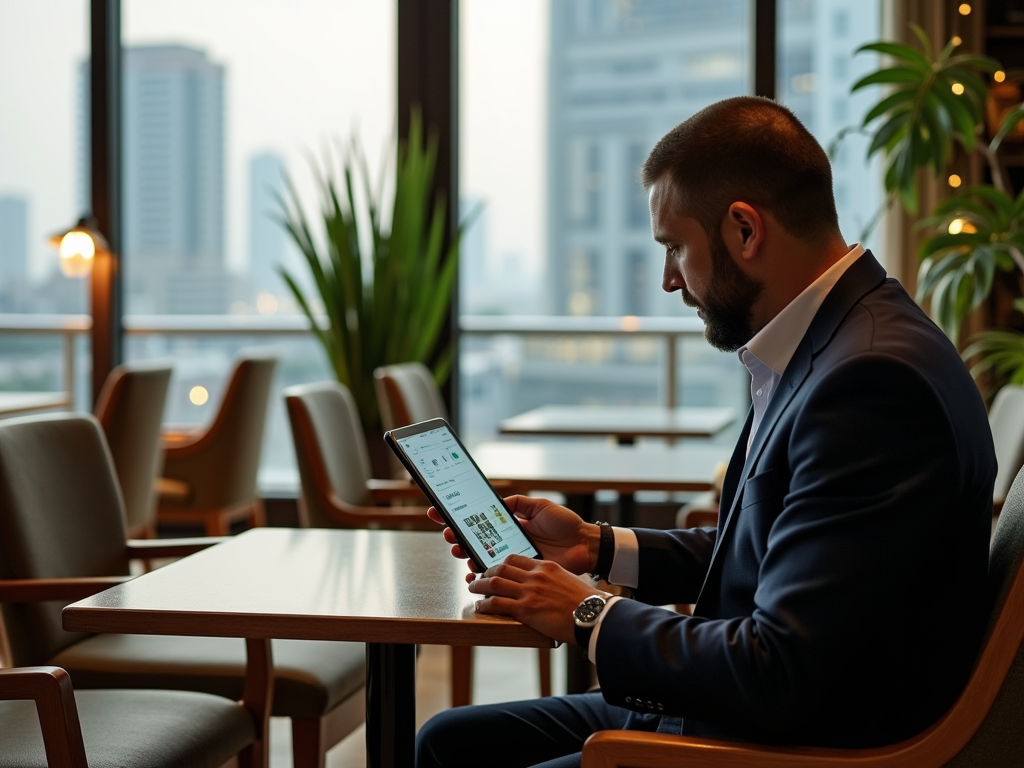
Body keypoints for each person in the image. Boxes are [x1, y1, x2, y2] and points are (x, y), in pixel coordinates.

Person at [416, 96, 997, 768]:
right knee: (448, 740)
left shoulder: (869, 383)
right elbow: (776, 547)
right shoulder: (836, 340)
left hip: (793, 744)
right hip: (761, 711)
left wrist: (587, 614)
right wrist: (596, 545)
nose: (669, 281)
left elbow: (777, 670)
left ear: (745, 230)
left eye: (675, 248)